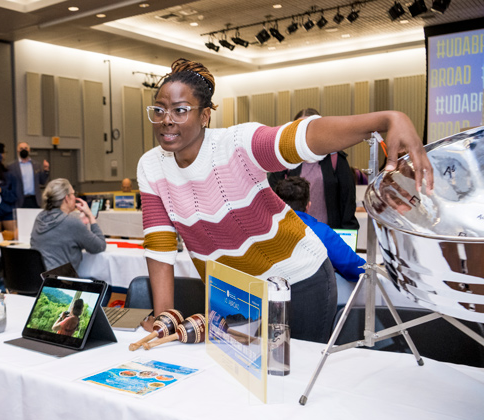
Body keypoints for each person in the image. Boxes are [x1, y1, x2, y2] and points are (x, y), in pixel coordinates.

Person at [137, 58, 433, 343]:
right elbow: (160, 248)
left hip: (298, 282)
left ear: (204, 116)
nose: (167, 121)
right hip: (233, 292)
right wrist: (164, 320)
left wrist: (388, 119)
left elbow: (303, 137)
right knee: (241, 381)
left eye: (180, 110)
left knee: (290, 378)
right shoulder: (150, 166)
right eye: (159, 110)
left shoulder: (236, 144)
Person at [268, 108, 359, 230]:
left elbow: (348, 201)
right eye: (301, 129)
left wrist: (348, 234)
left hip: (327, 235)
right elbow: (270, 198)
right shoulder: (285, 159)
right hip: (292, 235)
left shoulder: (335, 158)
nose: (306, 134)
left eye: (310, 129)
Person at [274, 177, 366, 281]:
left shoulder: (264, 231)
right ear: (308, 206)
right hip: (312, 295)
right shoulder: (322, 233)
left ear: (277, 205)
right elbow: (355, 267)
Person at [30, 179, 106, 271]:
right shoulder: (71, 223)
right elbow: (99, 246)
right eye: (73, 194)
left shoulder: (40, 218)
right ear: (67, 198)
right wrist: (91, 216)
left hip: (40, 281)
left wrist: (81, 225)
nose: (74, 197)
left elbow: (61, 238)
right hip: (63, 282)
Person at [8, 142, 50, 208]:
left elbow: (42, 181)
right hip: (19, 200)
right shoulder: (11, 166)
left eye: (25, 148)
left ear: (29, 150)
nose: (23, 150)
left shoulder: (36, 165)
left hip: (34, 200)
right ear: (17, 151)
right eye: (21, 148)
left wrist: (46, 170)